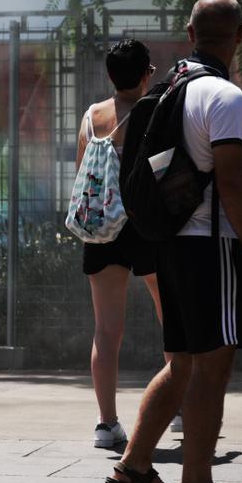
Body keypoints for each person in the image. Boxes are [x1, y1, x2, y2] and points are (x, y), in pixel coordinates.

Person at [107, 0, 242, 483]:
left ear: (190, 35)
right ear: (239, 36)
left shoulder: (172, 85)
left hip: (167, 245)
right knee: (213, 369)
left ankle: (133, 467)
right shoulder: (224, 95)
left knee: (181, 364)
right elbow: (234, 184)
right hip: (209, 246)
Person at [75, 39, 171, 449]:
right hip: (146, 225)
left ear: (110, 75)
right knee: (173, 320)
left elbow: (83, 170)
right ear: (147, 72)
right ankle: (177, 401)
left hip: (102, 228)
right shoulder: (157, 110)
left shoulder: (93, 116)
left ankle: (106, 423)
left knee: (106, 330)